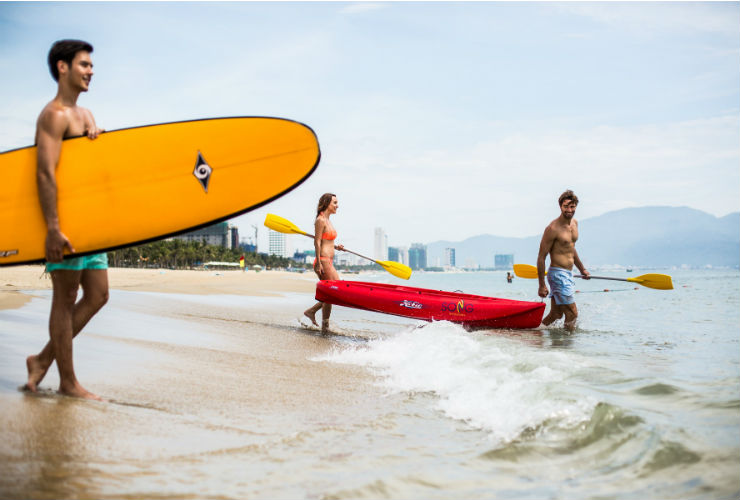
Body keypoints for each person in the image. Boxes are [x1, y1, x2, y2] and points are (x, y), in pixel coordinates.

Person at [24, 40, 107, 400]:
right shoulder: (53, 115)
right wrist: (53, 229)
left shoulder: (86, 115)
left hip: (90, 221)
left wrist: (98, 139)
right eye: (84, 64)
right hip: (64, 223)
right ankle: (67, 382)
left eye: (90, 65)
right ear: (63, 67)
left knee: (99, 294)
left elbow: (87, 168)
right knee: (66, 296)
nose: (90, 70)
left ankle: (41, 359)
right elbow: (45, 174)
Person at [537, 190, 590, 331]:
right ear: (560, 206)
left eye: (572, 207)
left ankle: (534, 331)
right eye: (566, 206)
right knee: (572, 314)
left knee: (556, 314)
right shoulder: (553, 228)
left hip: (568, 274)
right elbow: (541, 257)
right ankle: (566, 347)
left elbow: (571, 248)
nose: (569, 210)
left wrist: (582, 269)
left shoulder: (575, 224)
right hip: (557, 275)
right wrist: (541, 285)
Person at [303, 193, 344, 332]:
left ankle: (318, 319)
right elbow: (317, 242)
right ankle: (323, 325)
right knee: (336, 292)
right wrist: (319, 263)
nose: (337, 205)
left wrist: (336, 247)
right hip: (323, 261)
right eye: (335, 203)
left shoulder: (328, 220)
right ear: (327, 203)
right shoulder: (320, 220)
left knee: (332, 294)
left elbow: (327, 241)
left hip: (329, 261)